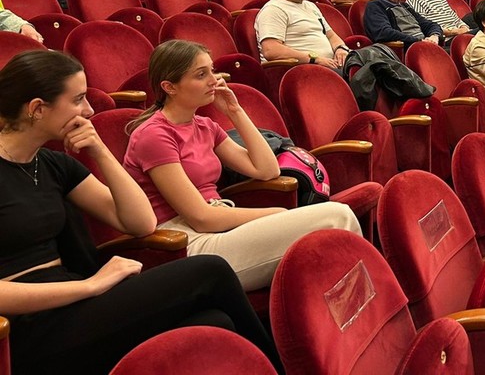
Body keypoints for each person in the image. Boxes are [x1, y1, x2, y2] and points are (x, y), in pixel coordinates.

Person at [0, 50, 281, 375]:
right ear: (37, 108)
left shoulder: (52, 165)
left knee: (214, 322)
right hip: (23, 328)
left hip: (71, 303)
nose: (89, 110)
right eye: (78, 100)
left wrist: (100, 151)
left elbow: (140, 222)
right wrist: (90, 286)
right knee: (210, 269)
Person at [123, 40, 360, 291]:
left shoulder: (204, 126)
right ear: (169, 87)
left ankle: (348, 303)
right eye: (201, 75)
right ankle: (361, 302)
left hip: (220, 228)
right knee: (337, 217)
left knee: (330, 235)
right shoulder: (154, 135)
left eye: (212, 71)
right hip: (185, 243)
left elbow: (267, 170)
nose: (214, 80)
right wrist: (276, 213)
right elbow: (201, 218)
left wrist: (234, 111)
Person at [256, 0, 353, 69]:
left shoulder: (310, 6)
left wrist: (340, 49)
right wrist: (314, 59)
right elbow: (271, 50)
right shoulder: (273, 10)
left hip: (334, 66)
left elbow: (331, 36)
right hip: (307, 71)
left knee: (369, 56)